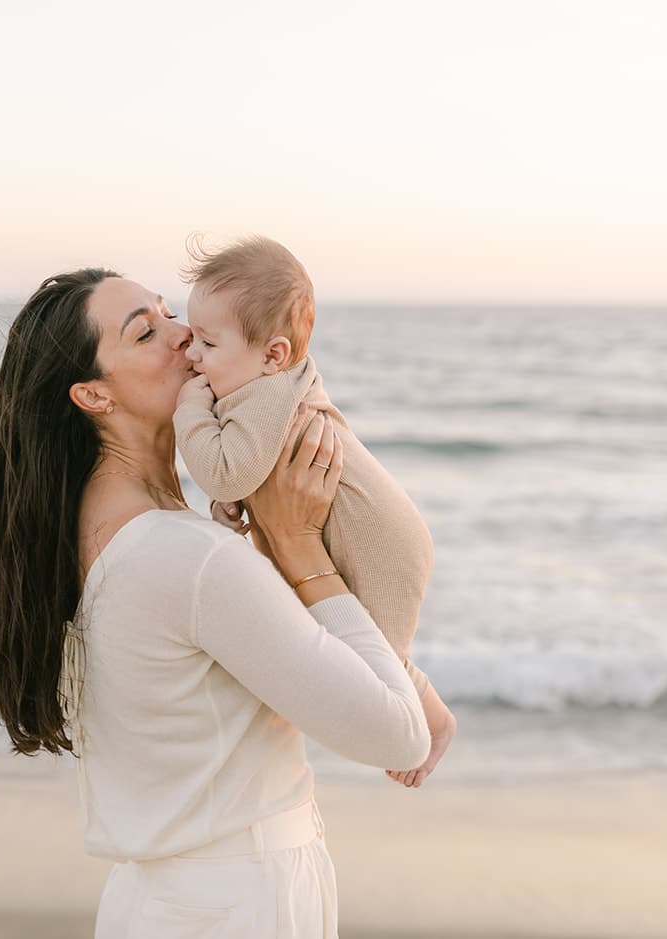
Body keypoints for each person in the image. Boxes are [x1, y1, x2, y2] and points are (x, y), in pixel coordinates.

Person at [0, 268, 440, 938]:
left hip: (169, 900)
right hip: (235, 905)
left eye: (169, 313)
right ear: (93, 394)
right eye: (147, 331)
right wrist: (301, 551)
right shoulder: (187, 556)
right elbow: (397, 734)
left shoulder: (92, 540)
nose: (186, 336)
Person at [171, 233, 457, 789]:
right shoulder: (265, 380)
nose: (191, 354)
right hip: (376, 533)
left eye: (207, 342)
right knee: (362, 646)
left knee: (370, 667)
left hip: (381, 544)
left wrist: (190, 413)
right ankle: (431, 717)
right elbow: (248, 473)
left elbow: (226, 469)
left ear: (274, 353)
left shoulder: (265, 392)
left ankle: (431, 726)